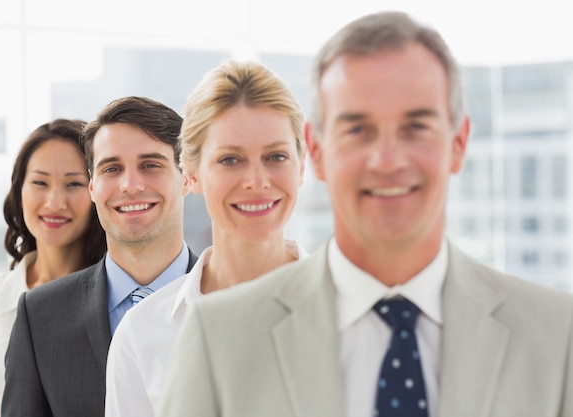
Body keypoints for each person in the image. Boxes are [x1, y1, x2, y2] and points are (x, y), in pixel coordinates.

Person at [157, 11, 573, 417]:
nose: (387, 160)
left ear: (458, 143)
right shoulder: (218, 337)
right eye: (357, 129)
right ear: (316, 152)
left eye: (416, 127)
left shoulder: (557, 334)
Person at [104, 60, 307, 417]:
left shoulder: (354, 313)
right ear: (191, 175)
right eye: (230, 160)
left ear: (301, 167)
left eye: (276, 156)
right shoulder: (141, 335)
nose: (257, 180)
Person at [1, 96, 198, 417]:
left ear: (187, 177)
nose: (131, 185)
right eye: (112, 168)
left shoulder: (237, 302)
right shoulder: (38, 318)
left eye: (150, 164)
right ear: (93, 186)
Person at [0, 119, 106, 417]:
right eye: (39, 182)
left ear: (96, 191)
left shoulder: (120, 294)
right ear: (19, 191)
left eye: (73, 183)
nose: (55, 202)